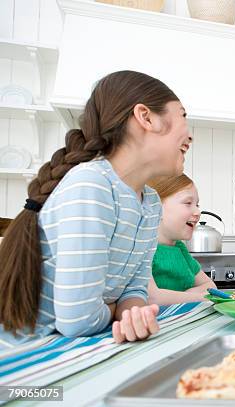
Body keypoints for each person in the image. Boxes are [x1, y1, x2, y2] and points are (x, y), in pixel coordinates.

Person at [0, 70, 192, 348]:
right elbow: (77, 321)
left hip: (70, 348)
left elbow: (135, 289)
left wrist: (131, 314)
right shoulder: (92, 185)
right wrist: (117, 311)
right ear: (145, 117)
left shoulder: (149, 203)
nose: (190, 134)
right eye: (183, 116)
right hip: (22, 358)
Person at [147, 174, 216, 305]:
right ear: (156, 206)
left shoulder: (180, 248)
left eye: (197, 204)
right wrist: (198, 296)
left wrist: (182, 296)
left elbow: (211, 286)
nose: (198, 212)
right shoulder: (144, 247)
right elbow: (152, 298)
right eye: (188, 203)